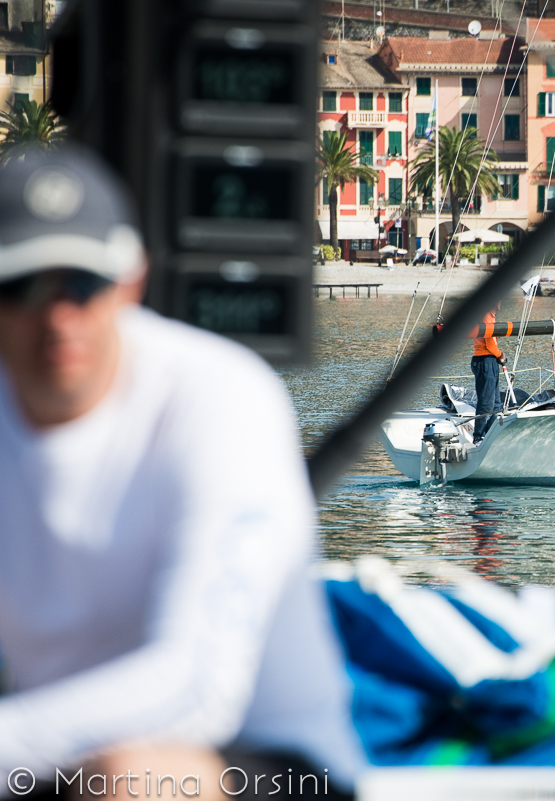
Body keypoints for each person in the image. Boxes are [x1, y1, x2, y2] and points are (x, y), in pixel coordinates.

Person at [0, 146, 363, 798]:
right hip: (48, 761)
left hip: (273, 764)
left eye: (82, 284)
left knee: (128, 781)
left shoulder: (222, 395)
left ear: (130, 282)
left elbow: (196, 688)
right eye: (23, 286)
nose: (58, 317)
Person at [471, 302, 505, 443]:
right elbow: (489, 344)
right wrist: (501, 355)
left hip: (490, 360)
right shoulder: (486, 315)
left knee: (496, 403)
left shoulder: (491, 316)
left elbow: (490, 339)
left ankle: (491, 435)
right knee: (486, 403)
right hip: (485, 360)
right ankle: (478, 437)